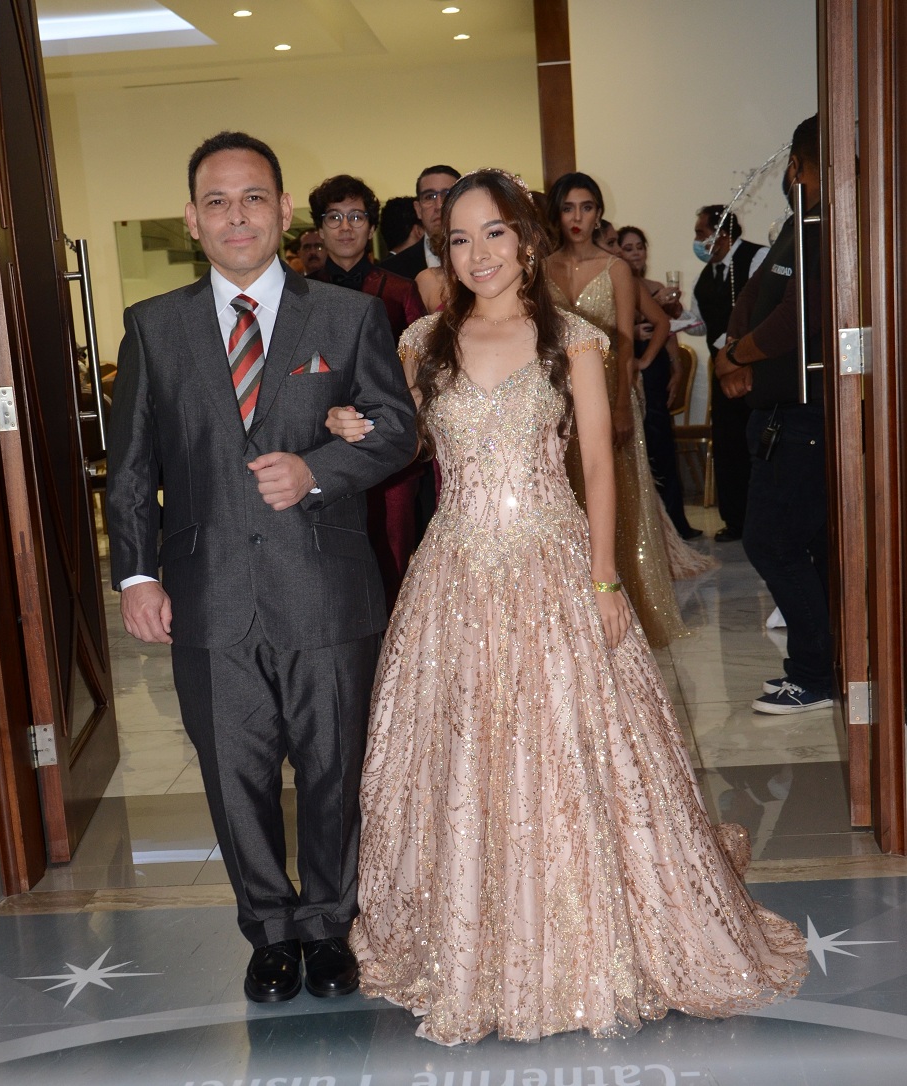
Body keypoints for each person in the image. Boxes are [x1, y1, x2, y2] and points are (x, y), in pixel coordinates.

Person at [327, 168, 806, 1045]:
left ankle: (588, 929)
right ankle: (471, 931)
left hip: (553, 565)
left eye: (495, 234)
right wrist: (355, 428)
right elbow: (409, 443)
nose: (477, 253)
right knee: (464, 752)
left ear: (527, 238)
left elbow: (598, 469)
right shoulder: (423, 343)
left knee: (572, 748)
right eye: (460, 238)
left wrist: (604, 580)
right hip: (456, 576)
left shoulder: (575, 343)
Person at [105, 131, 417, 1005]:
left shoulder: (346, 317)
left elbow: (398, 432)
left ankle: (328, 924)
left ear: (284, 213)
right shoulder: (155, 328)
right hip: (207, 597)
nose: (235, 215)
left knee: (332, 768)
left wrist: (320, 470)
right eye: (216, 201)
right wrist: (136, 576)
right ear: (192, 222)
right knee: (233, 775)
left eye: (252, 199)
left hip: (325, 588)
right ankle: (269, 933)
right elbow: (131, 468)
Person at [545, 173, 703, 646]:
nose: (578, 218)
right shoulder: (540, 267)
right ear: (557, 212)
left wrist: (626, 389)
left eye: (587, 207)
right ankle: (571, 613)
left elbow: (629, 335)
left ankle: (624, 611)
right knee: (565, 498)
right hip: (557, 398)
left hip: (612, 391)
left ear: (598, 213)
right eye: (569, 207)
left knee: (620, 499)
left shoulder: (615, 267)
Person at [715, 115, 831, 714]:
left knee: (771, 543)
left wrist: (736, 355)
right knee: (800, 545)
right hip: (778, 414)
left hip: (806, 420)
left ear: (797, 167)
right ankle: (826, 666)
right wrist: (731, 352)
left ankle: (815, 673)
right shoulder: (795, 225)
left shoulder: (826, 227)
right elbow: (758, 299)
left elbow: (796, 321)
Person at [307, 173, 427, 611]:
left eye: (356, 216)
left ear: (371, 227)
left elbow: (424, 370)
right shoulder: (300, 294)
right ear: (319, 228)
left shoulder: (399, 290)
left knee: (393, 559)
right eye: (334, 217)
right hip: (319, 446)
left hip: (389, 452)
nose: (345, 226)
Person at [616, 224, 702, 540]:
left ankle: (676, 522)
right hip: (629, 363)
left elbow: (667, 330)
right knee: (643, 444)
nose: (635, 252)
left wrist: (677, 367)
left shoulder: (653, 286)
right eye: (627, 247)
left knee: (662, 440)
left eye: (640, 246)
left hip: (654, 367)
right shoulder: (616, 284)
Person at [690, 207, 768, 542]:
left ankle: (761, 520)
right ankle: (734, 520)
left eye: (700, 232)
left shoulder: (756, 257)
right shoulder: (706, 275)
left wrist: (731, 344)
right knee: (728, 445)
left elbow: (763, 306)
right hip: (722, 372)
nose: (697, 241)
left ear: (720, 233)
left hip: (754, 369)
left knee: (755, 443)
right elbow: (699, 323)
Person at [380, 164, 461, 279]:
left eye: (447, 195)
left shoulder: (484, 259)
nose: (438, 205)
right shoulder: (390, 272)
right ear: (418, 209)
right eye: (429, 197)